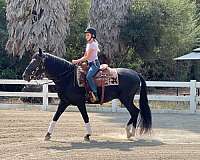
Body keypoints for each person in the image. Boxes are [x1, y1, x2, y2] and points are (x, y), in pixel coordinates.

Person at [72, 27, 100, 102]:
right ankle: (85, 93)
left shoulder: (93, 44)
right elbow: (85, 55)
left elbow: (87, 57)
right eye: (86, 35)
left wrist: (76, 61)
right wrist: (79, 62)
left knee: (89, 76)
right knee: (80, 75)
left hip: (95, 64)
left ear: (92, 36)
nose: (86, 37)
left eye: (88, 35)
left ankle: (95, 93)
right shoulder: (88, 44)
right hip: (90, 64)